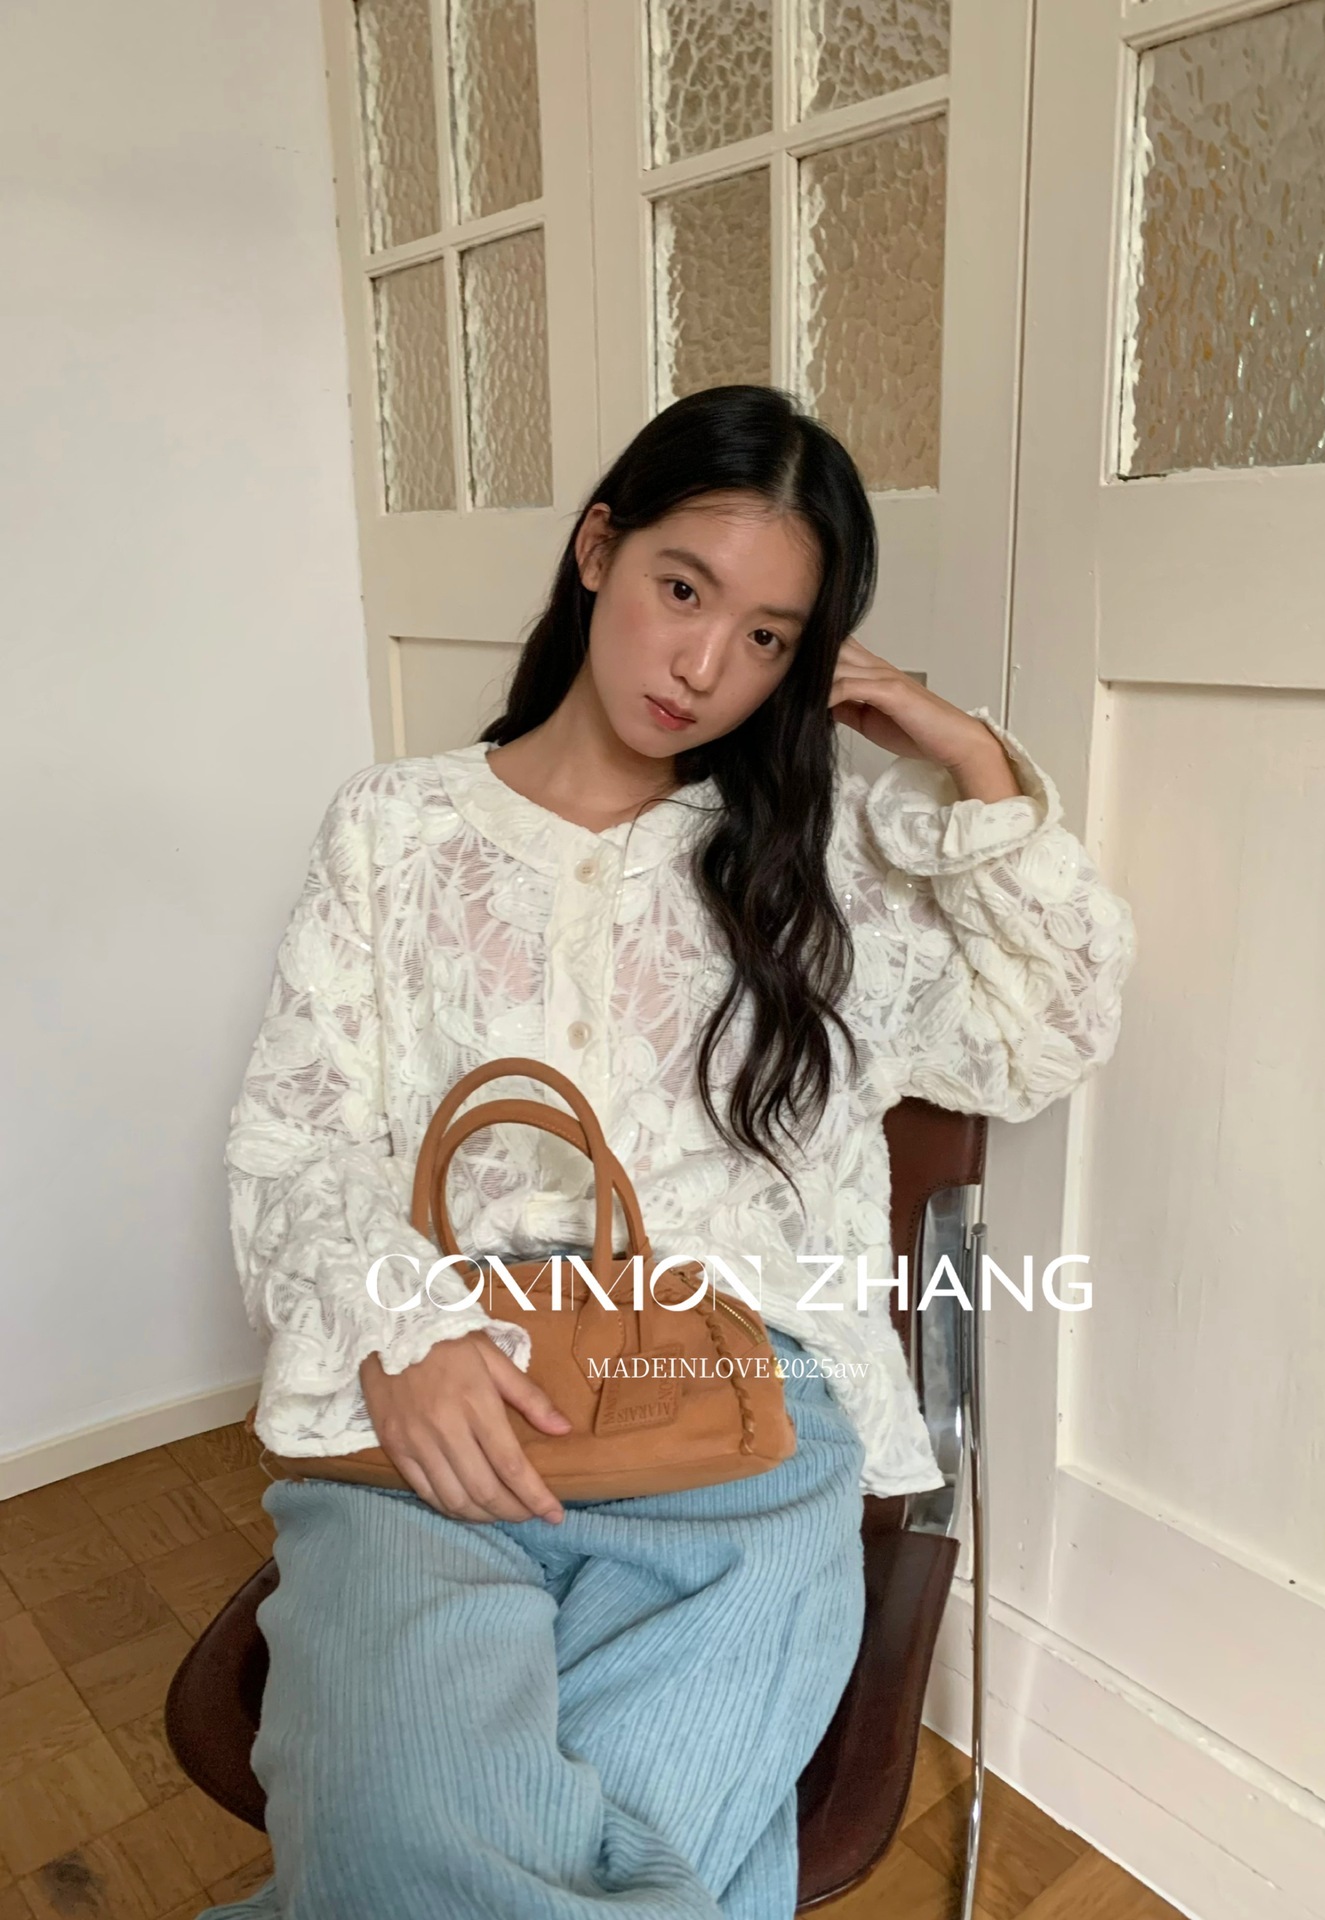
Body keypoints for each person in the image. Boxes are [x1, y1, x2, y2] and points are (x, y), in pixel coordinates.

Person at [203, 384, 1136, 1919]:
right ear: (597, 552)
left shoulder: (816, 862)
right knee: (461, 1850)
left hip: (745, 1420)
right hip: (442, 1404)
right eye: (682, 590)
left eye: (768, 636)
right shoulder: (393, 830)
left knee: (416, 1874)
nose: (703, 666)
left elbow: (1042, 1035)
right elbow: (295, 1135)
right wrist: (404, 1327)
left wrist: (966, 762)